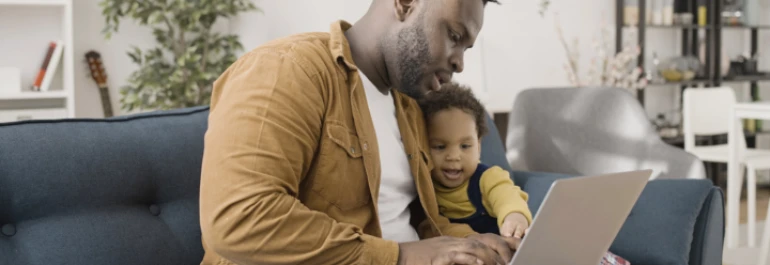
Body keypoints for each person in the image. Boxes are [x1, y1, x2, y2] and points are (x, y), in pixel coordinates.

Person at [198, 0, 520, 264]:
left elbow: (420, 224)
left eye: (466, 47)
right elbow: (239, 219)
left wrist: (477, 246)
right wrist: (400, 256)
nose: (460, 63)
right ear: (405, 4)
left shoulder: (408, 107)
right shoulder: (288, 69)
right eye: (453, 35)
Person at [418, 82, 533, 239]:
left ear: (478, 146)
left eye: (465, 146)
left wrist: (514, 217)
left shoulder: (488, 178)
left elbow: (507, 196)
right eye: (440, 147)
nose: (453, 156)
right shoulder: (424, 188)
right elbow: (428, 227)